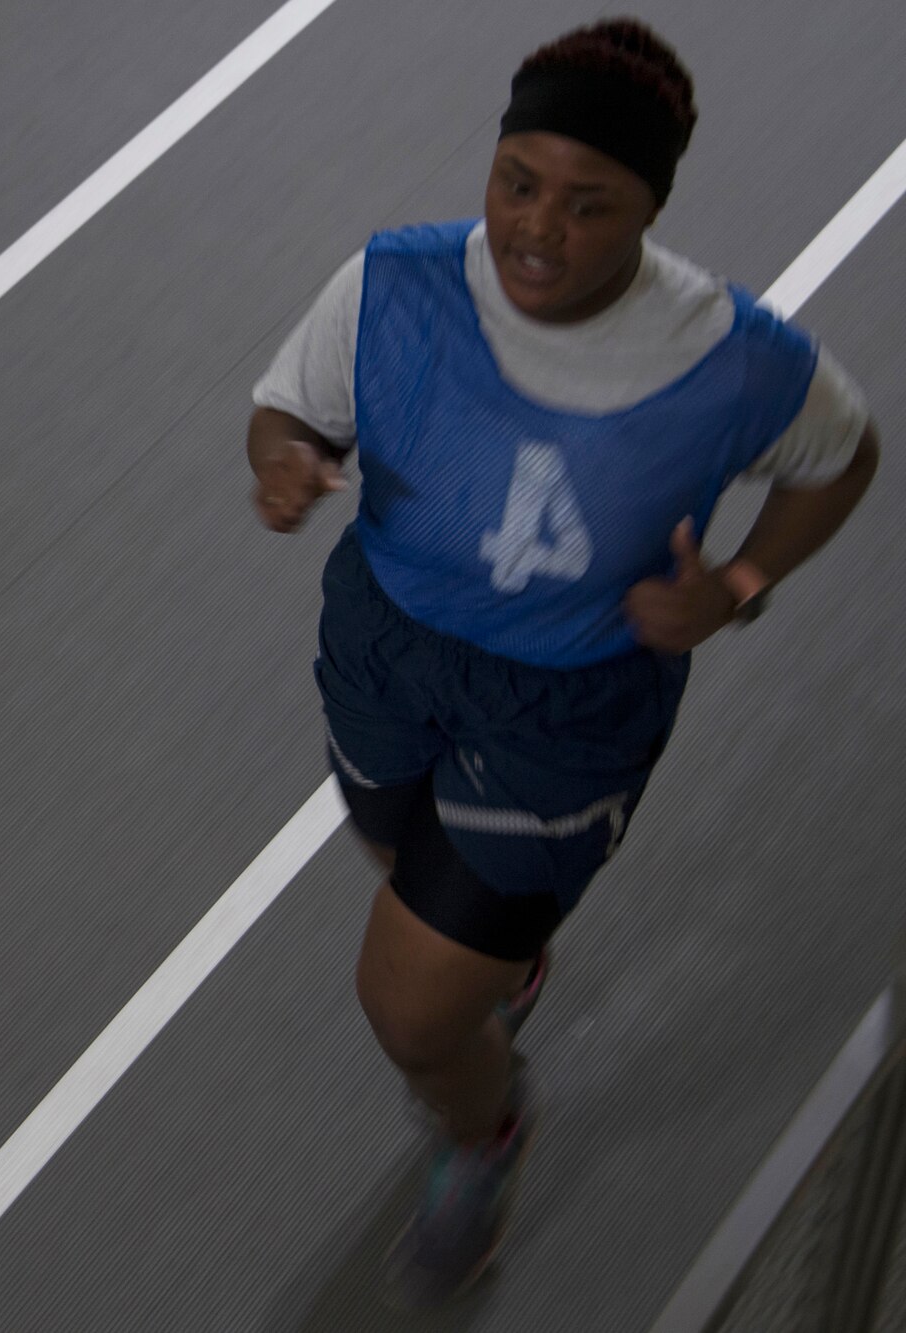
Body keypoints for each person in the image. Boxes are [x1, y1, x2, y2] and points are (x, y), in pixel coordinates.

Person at [246, 16, 880, 1308]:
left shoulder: (736, 359)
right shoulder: (393, 284)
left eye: (592, 205)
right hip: (386, 651)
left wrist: (742, 585)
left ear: (653, 208)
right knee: (398, 848)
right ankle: (511, 957)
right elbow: (288, 408)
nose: (539, 228)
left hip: (567, 708)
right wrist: (283, 463)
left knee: (413, 1013)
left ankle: (485, 1132)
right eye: (518, 182)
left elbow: (846, 456)